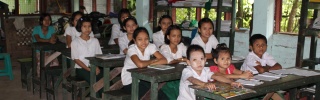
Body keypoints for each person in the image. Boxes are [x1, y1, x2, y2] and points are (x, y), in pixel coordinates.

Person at [177, 45, 242, 100]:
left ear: (205, 60)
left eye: (201, 59)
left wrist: (231, 82)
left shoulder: (206, 70)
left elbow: (217, 77)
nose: (199, 62)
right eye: (195, 60)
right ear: (188, 62)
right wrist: (204, 84)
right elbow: (192, 79)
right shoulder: (187, 71)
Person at [121, 27, 168, 99]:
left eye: (146, 39)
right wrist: (153, 61)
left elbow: (164, 60)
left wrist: (149, 63)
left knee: (161, 95)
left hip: (145, 79)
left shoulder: (150, 46)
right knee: (151, 96)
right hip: (130, 81)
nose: (144, 42)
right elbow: (140, 64)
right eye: (140, 39)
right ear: (134, 40)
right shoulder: (132, 49)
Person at [241, 34, 283, 100]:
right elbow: (261, 70)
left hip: (261, 81)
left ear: (267, 46)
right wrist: (266, 67)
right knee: (270, 91)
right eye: (257, 45)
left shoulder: (266, 55)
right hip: (247, 84)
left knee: (276, 93)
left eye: (263, 45)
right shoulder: (250, 57)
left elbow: (279, 67)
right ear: (251, 47)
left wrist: (265, 68)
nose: (261, 47)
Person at [71, 17, 103, 97]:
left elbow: (99, 56)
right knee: (94, 81)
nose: (87, 29)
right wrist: (89, 69)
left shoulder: (95, 41)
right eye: (84, 26)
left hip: (94, 67)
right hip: (81, 69)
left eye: (89, 26)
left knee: (105, 80)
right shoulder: (75, 42)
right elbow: (76, 60)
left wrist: (97, 67)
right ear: (80, 27)